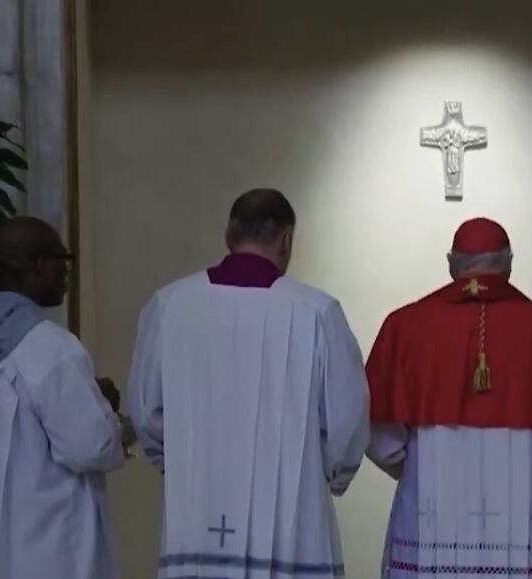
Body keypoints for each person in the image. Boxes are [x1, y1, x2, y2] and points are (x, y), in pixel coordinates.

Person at [128, 188, 369, 579]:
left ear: (229, 237)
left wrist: (183, 463)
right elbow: (347, 420)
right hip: (292, 522)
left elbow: (146, 412)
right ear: (286, 241)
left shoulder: (169, 306)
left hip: (197, 510)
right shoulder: (316, 312)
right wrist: (323, 475)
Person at [365, 217, 532, 578]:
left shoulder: (405, 325)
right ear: (508, 264)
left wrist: (412, 467)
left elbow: (375, 429)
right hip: (523, 515)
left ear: (451, 264)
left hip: (431, 509)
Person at [0, 216, 128, 579]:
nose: (66, 273)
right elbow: (90, 446)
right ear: (40, 265)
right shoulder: (50, 348)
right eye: (62, 261)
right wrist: (106, 409)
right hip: (42, 551)